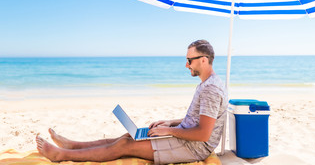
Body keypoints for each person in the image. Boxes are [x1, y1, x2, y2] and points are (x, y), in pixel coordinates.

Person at [36, 40, 228, 164]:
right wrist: (171, 122)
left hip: (193, 148)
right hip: (185, 138)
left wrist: (169, 131)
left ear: (203, 60)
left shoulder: (211, 89)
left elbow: (203, 133)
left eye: (190, 60)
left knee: (124, 146)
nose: (186, 64)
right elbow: (198, 119)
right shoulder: (207, 84)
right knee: (127, 136)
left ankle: (61, 155)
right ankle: (72, 145)